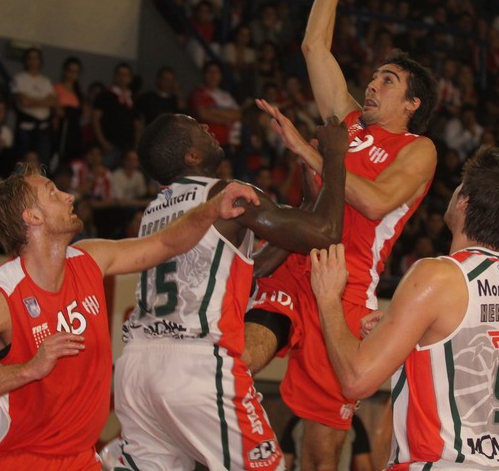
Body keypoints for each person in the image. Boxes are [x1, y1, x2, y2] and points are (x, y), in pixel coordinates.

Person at [0, 161, 260, 469]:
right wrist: (28, 369)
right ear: (33, 217)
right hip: (1, 459)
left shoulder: (90, 258)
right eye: (53, 194)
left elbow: (165, 244)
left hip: (75, 459)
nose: (70, 196)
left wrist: (211, 209)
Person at [244, 0, 439, 469]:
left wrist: (310, 151)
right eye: (374, 77)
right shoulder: (349, 121)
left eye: (388, 81)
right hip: (296, 262)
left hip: (346, 289)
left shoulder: (419, 151)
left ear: (412, 104)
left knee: (320, 446)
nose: (372, 84)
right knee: (237, 360)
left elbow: (375, 203)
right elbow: (314, 46)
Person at [113, 113, 348, 471]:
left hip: (137, 367)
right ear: (191, 157)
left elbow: (245, 273)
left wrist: (301, 212)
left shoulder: (155, 209)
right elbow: (327, 232)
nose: (209, 128)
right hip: (194, 363)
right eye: (199, 128)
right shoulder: (223, 193)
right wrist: (335, 157)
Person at [310, 148, 499, 469]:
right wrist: (406, 327)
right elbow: (468, 347)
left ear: (464, 202)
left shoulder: (438, 275)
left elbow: (356, 379)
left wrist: (328, 298)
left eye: (460, 186)